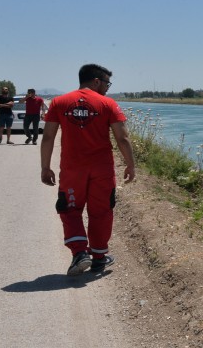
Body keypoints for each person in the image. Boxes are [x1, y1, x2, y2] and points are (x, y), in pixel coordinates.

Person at [41, 63, 136, 276]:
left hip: (72, 169)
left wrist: (45, 167)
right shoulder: (108, 104)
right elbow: (122, 137)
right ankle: (99, 258)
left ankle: (79, 253)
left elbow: (48, 136)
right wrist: (130, 164)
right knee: (101, 211)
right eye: (107, 83)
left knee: (70, 209)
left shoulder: (59, 102)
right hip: (102, 170)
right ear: (96, 81)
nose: (108, 87)